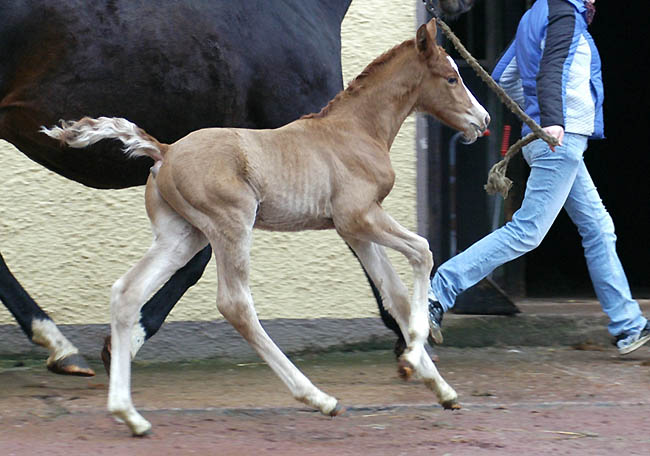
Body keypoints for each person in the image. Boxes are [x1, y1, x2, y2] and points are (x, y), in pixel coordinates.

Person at [427, 0, 650, 355]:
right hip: (560, 140)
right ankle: (437, 291)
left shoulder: (537, 13)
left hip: (553, 139)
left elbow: (504, 75)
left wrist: (535, 118)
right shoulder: (563, 13)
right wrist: (552, 120)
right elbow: (551, 70)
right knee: (526, 232)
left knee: (598, 227)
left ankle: (628, 325)